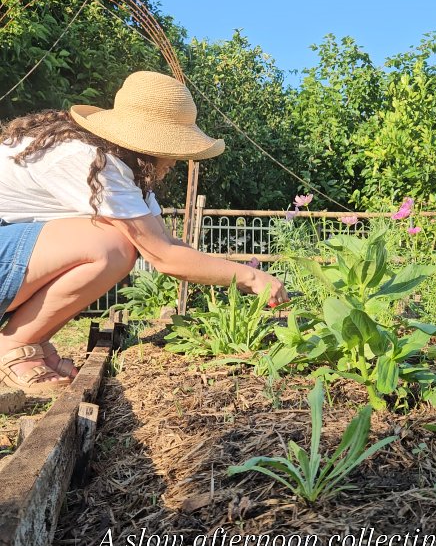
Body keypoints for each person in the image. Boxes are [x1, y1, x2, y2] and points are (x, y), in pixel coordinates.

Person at [0, 70, 289, 396]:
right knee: (111, 246)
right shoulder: (93, 162)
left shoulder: (122, 169)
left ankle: (33, 341)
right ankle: (15, 345)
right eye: (176, 150)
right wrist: (251, 279)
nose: (177, 161)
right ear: (153, 143)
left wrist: (245, 273)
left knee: (117, 243)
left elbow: (165, 243)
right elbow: (163, 257)